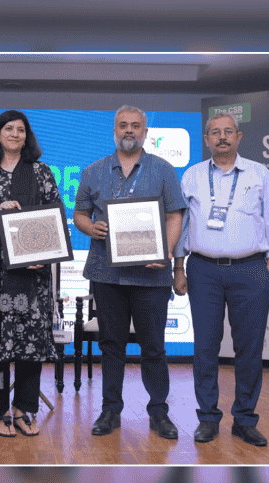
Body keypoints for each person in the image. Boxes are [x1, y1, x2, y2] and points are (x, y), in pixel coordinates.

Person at [172, 113, 269, 447]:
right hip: (203, 269)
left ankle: (245, 419)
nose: (221, 137)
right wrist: (179, 267)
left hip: (251, 270)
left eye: (227, 132)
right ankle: (208, 419)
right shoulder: (192, 175)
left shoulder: (259, 173)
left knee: (248, 349)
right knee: (205, 347)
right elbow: (182, 225)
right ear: (206, 139)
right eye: (214, 132)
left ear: (239, 136)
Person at [73, 105, 185, 438]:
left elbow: (175, 216)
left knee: (154, 346)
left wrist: (166, 251)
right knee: (111, 345)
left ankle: (159, 412)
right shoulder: (94, 171)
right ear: (114, 131)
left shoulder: (163, 170)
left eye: (135, 126)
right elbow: (79, 214)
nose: (129, 131)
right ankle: (110, 411)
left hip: (152, 276)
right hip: (107, 274)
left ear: (145, 132)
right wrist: (90, 228)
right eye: (123, 126)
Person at [0, 110, 59, 437]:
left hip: (33, 271)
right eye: (9, 128)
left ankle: (23, 409)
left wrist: (42, 257)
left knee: (29, 340)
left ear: (26, 136)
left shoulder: (41, 172)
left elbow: (55, 218)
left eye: (21, 130)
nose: (15, 134)